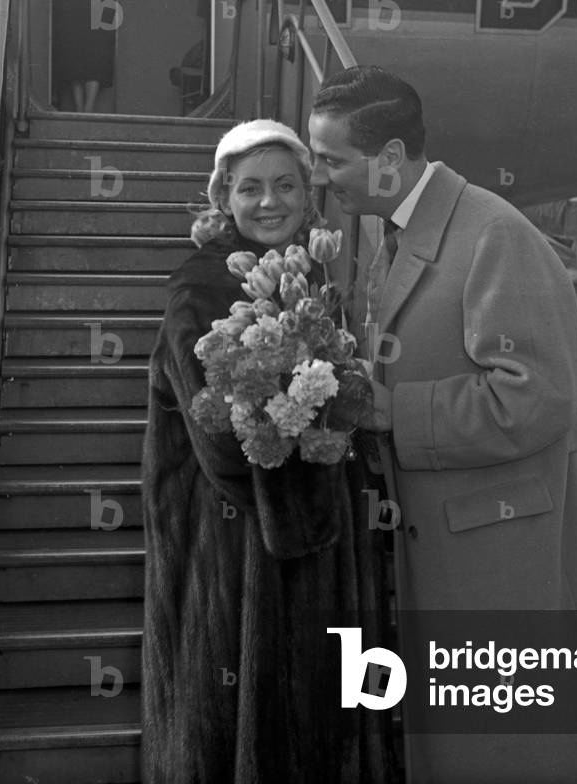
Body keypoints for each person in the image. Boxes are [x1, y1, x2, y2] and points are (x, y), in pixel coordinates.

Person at [308, 67, 577, 784]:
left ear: (390, 158)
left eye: (332, 159)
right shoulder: (402, 233)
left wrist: (392, 409)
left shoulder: (495, 234)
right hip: (461, 544)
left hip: (506, 555)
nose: (320, 176)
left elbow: (537, 396)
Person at [141, 119, 395, 784]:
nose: (269, 201)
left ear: (307, 196)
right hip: (239, 547)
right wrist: (307, 516)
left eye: (286, 185)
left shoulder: (310, 275)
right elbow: (221, 442)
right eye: (250, 188)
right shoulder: (200, 287)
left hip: (306, 546)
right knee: (245, 723)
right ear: (224, 197)